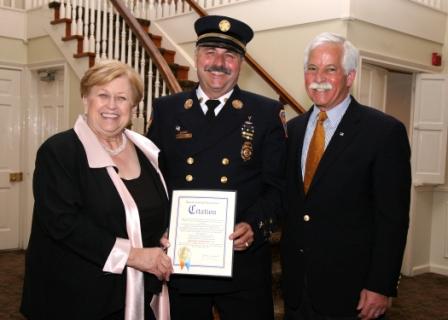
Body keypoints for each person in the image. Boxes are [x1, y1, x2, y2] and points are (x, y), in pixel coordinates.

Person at [147, 15, 286, 320]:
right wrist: (160, 230)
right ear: (196, 56)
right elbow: (150, 182)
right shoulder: (166, 110)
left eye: (230, 55)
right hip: (182, 262)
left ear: (241, 64)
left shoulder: (265, 113)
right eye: (210, 52)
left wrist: (254, 226)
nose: (218, 63)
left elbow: (276, 187)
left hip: (243, 265)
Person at [21, 60, 172, 320]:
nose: (112, 106)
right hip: (76, 298)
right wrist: (134, 256)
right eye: (102, 95)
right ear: (85, 99)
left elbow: (152, 209)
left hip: (138, 293)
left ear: (133, 107)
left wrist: (168, 232)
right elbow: (63, 224)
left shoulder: (147, 151)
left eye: (122, 98)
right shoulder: (59, 151)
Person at [280, 32, 412, 320]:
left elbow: (392, 219)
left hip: (351, 294)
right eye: (312, 68)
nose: (319, 77)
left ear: (350, 76)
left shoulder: (384, 132)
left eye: (331, 69)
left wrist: (380, 285)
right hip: (296, 290)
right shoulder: (293, 129)